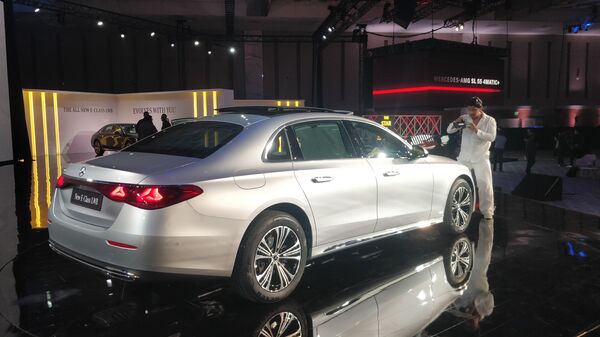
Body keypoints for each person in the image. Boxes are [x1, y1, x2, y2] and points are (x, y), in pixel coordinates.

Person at [447, 97, 496, 220]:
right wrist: (455, 122)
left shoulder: (490, 120)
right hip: (464, 157)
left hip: (481, 158)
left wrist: (477, 131)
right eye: (469, 109)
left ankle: (488, 212)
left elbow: (492, 137)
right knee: (455, 183)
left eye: (474, 109)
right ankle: (454, 209)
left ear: (481, 109)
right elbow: (449, 130)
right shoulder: (465, 118)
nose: (471, 112)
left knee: (485, 186)